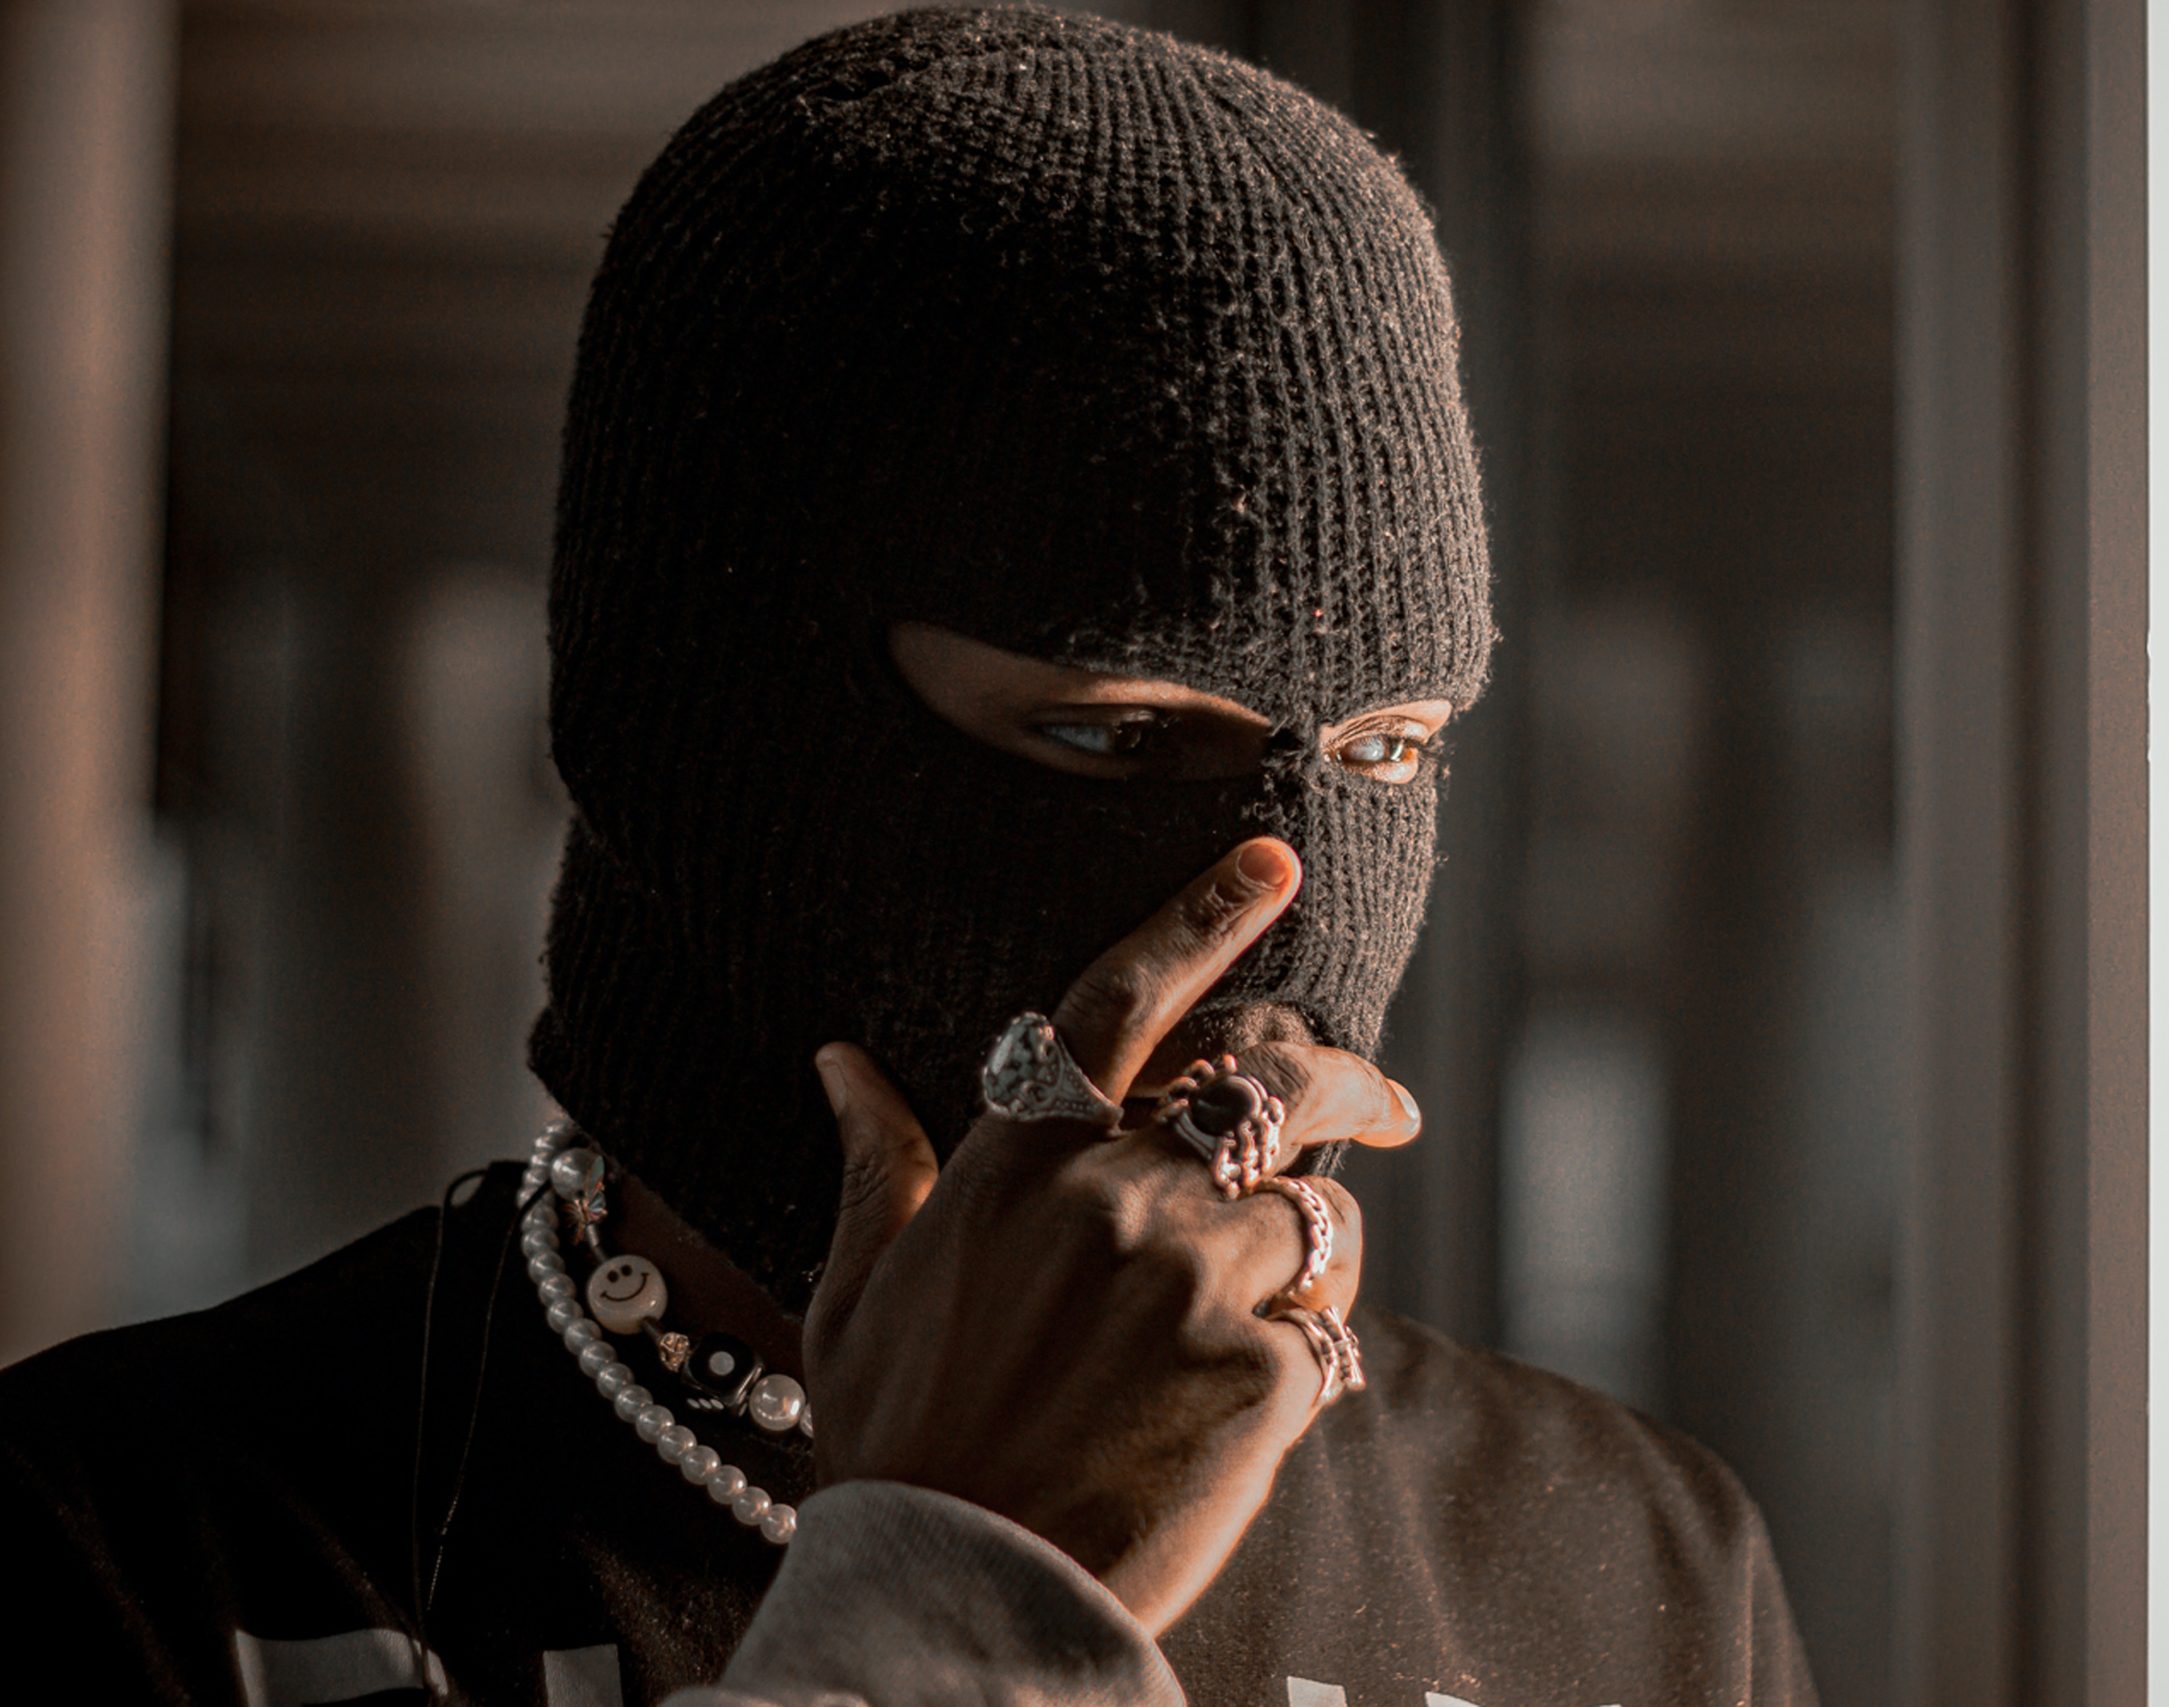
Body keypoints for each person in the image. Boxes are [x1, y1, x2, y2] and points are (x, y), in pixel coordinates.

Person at [0, 8, 1816, 1703]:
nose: (1279, 913)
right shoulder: (110, 1547)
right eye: (1112, 735)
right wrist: (957, 1599)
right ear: (704, 721)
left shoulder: (1631, 1563)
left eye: (1388, 750)